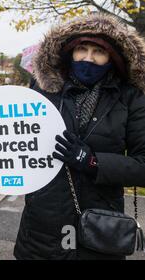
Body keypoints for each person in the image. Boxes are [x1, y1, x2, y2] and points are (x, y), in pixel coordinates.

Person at [12, 13, 145, 259]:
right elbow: (17, 140)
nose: (88, 58)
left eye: (98, 51)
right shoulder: (45, 91)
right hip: (42, 229)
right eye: (82, 49)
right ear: (70, 52)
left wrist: (93, 161)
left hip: (99, 230)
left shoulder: (131, 98)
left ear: (113, 57)